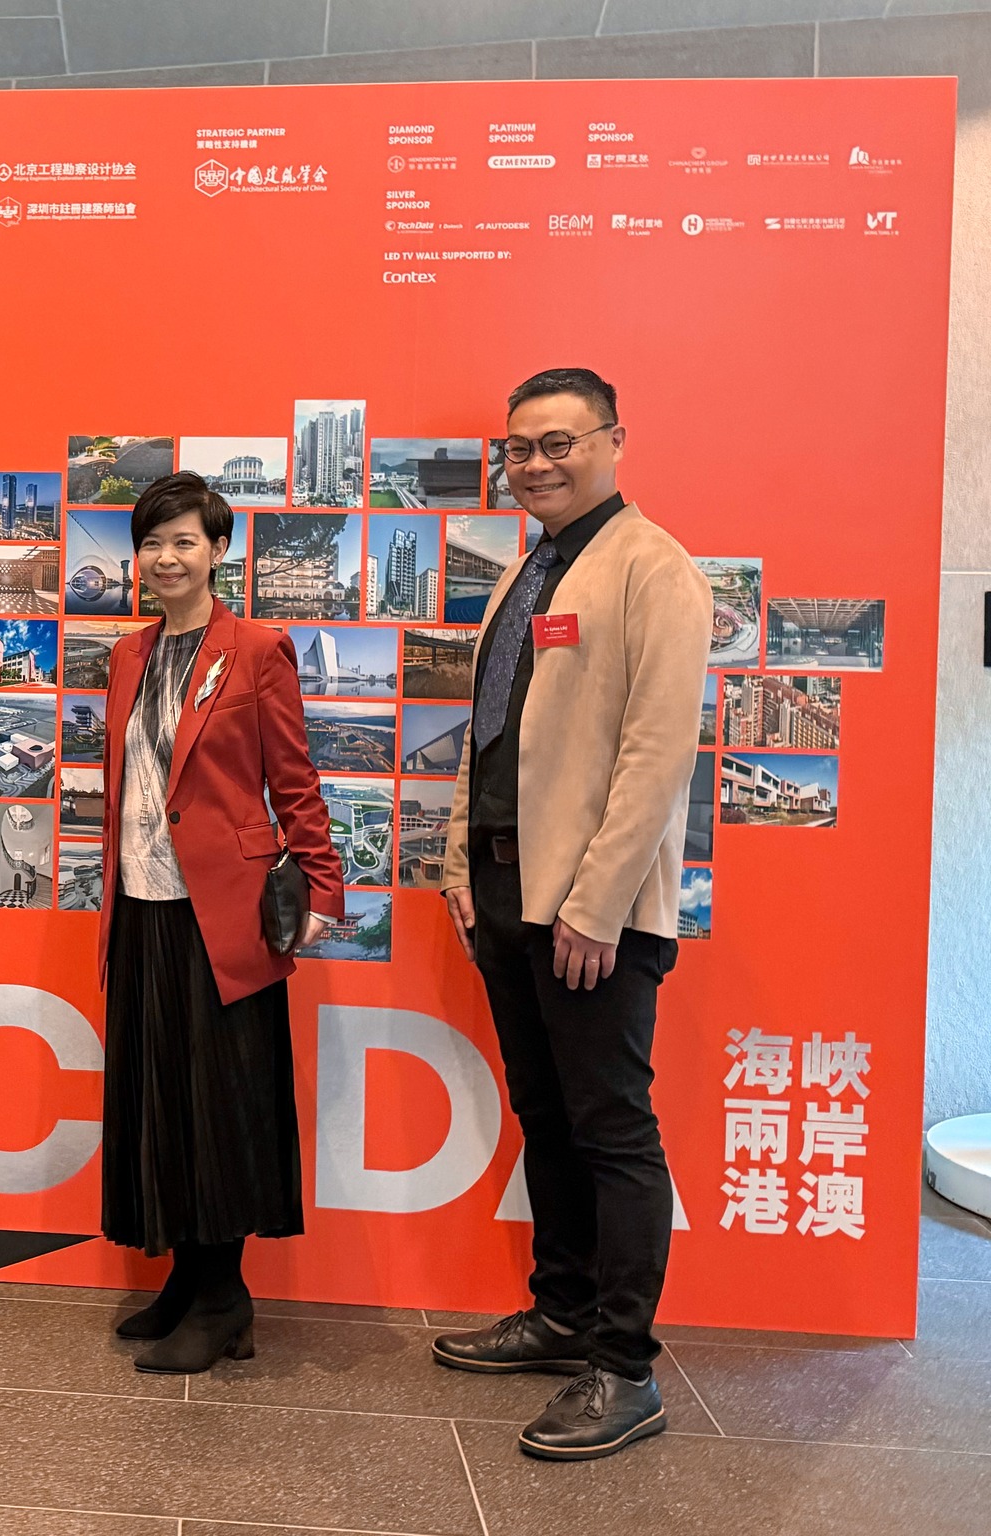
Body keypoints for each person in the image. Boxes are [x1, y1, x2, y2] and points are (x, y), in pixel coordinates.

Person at [433, 368, 711, 1460]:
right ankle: (560, 1314)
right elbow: (488, 733)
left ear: (612, 440)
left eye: (559, 442)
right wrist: (460, 864)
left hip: (591, 910)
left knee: (612, 1130)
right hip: (506, 891)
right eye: (519, 447)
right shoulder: (530, 569)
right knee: (544, 1117)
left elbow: (655, 757)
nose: (535, 463)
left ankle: (623, 1367)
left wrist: (595, 907)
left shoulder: (653, 567)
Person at [97, 471, 346, 1375]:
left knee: (219, 1105)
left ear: (217, 550)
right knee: (161, 1098)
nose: (166, 558)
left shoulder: (257, 649)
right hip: (140, 905)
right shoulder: (128, 654)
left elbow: (295, 779)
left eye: (184, 542)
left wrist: (322, 888)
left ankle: (223, 1299)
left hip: (223, 912)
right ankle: (186, 1280)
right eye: (152, 543)